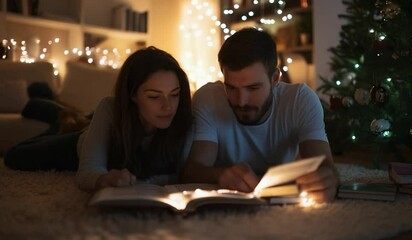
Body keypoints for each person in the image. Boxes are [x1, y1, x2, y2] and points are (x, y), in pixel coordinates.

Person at [181, 28, 338, 203]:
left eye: (253, 88)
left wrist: (327, 181)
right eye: (231, 88)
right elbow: (193, 170)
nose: (241, 101)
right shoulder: (209, 98)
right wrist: (221, 175)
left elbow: (324, 166)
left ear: (275, 78)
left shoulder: (300, 99)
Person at [5, 46, 193, 192]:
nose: (168, 107)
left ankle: (66, 116)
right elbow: (87, 172)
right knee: (16, 156)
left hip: (91, 125)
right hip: (78, 143)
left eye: (174, 94)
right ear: (132, 95)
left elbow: (182, 174)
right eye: (154, 96)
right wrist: (103, 179)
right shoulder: (110, 108)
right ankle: (59, 118)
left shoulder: (184, 118)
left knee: (70, 119)